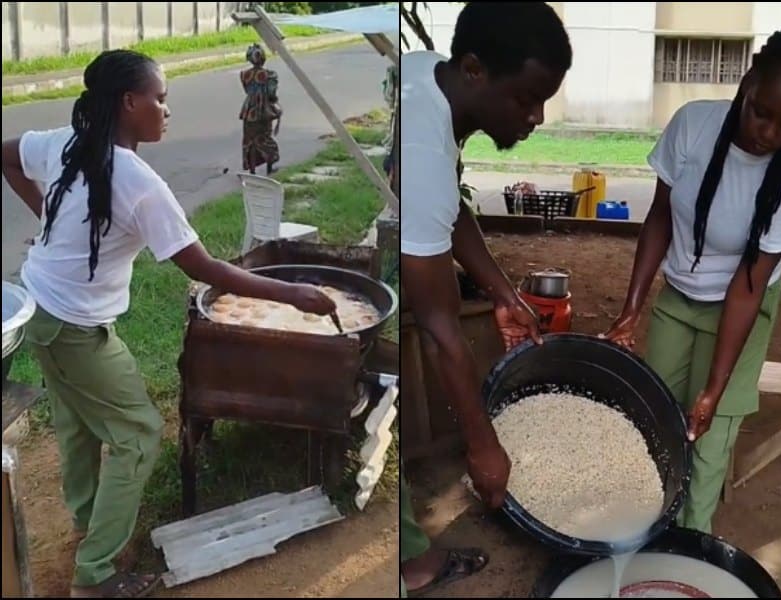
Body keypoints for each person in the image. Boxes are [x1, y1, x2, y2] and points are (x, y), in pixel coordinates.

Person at [0, 49, 336, 599]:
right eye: (160, 99)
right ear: (129, 103)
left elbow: (7, 157)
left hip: (43, 309)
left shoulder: (65, 140)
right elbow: (202, 267)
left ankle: (89, 523)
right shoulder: (138, 181)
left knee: (80, 424)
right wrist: (292, 293)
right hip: (73, 326)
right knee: (138, 435)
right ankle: (96, 575)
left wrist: (53, 218)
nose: (166, 110)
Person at [399, 2, 570, 596]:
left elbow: (453, 206)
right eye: (526, 99)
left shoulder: (430, 75)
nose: (536, 117)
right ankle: (405, 562)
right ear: (474, 70)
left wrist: (503, 291)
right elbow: (440, 330)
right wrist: (483, 445)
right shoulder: (419, 151)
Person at [600, 28, 781, 535]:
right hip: (681, 293)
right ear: (749, 81)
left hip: (742, 307)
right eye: (761, 112)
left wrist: (714, 387)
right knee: (658, 413)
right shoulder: (693, 124)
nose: (768, 133)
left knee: (709, 435)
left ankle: (692, 541)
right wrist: (633, 307)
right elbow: (660, 217)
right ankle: (648, 525)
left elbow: (750, 284)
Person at [238, 44, 281, 174]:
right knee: (265, 139)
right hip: (263, 112)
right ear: (263, 58)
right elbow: (271, 94)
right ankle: (269, 168)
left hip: (248, 111)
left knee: (250, 141)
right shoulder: (270, 75)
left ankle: (252, 171)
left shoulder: (244, 75)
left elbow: (247, 91)